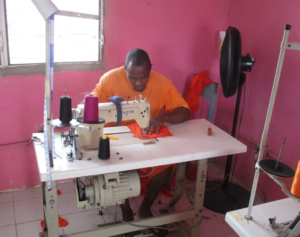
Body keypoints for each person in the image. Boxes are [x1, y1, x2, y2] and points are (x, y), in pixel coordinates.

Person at [90, 48, 191, 223]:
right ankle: (126, 209)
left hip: (144, 134)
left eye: (143, 77)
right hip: (116, 137)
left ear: (150, 68)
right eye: (133, 78)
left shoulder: (163, 83)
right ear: (124, 70)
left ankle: (145, 209)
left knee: (167, 163)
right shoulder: (109, 80)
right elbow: (91, 106)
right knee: (114, 165)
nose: (138, 83)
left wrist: (165, 116)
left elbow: (185, 112)